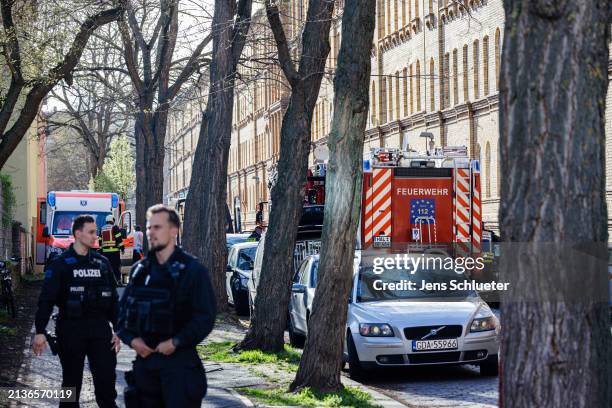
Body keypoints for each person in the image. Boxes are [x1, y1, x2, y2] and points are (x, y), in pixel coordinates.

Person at [117, 204, 216, 407]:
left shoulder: (192, 270)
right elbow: (121, 315)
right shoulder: (139, 271)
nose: (151, 232)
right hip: (145, 367)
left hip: (179, 367)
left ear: (173, 231)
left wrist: (176, 342)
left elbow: (205, 317)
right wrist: (132, 340)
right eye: (149, 227)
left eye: (157, 227)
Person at [32, 215, 121, 408]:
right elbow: (46, 300)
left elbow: (113, 299)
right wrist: (40, 332)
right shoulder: (61, 265)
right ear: (78, 233)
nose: (95, 235)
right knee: (71, 388)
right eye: (91, 232)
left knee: (106, 386)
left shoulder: (102, 263)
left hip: (100, 331)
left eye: (95, 231)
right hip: (71, 330)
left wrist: (119, 330)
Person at [99, 215, 125, 284]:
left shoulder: (102, 228)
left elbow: (100, 240)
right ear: (112, 220)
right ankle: (118, 281)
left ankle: (107, 281)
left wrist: (101, 251)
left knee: (107, 267)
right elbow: (119, 238)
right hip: (114, 252)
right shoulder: (114, 227)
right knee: (116, 267)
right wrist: (122, 248)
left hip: (105, 253)